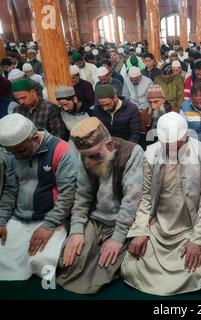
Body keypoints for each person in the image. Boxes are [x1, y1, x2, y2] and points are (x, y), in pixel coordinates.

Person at [121, 112, 201, 296]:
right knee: (131, 268)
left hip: (189, 229)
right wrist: (141, 231)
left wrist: (197, 241)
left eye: (176, 146)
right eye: (167, 146)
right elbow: (145, 199)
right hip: (158, 228)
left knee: (194, 272)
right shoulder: (151, 154)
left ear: (185, 137)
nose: (170, 150)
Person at [57, 117, 144, 294]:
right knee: (70, 263)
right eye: (86, 156)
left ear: (110, 144)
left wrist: (118, 238)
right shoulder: (86, 157)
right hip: (96, 219)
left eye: (95, 156)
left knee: (104, 267)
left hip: (123, 223)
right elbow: (82, 195)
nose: (91, 161)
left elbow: (131, 201)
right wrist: (76, 231)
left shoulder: (132, 152)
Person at [0, 113, 77, 281]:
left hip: (51, 218)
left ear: (35, 138)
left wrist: (49, 225)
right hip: (19, 217)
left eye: (21, 151)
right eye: (12, 153)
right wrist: (2, 219)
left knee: (43, 262)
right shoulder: (11, 154)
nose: (17, 157)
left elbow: (68, 195)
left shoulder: (61, 150)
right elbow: (10, 190)